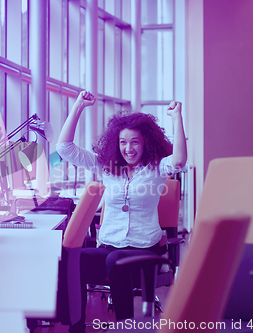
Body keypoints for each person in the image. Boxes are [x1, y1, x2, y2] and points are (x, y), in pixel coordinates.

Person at [56, 91, 187, 333]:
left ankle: (125, 326)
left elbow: (178, 161)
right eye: (123, 142)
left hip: (144, 249)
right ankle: (75, 326)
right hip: (110, 246)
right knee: (72, 259)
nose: (128, 148)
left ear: (145, 142)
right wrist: (78, 107)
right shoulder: (107, 166)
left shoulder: (156, 167)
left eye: (135, 142)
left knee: (115, 261)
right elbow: (64, 149)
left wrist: (177, 117)